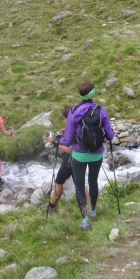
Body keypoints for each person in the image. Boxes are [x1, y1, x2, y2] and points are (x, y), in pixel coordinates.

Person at [59, 81, 115, 231]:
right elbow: (110, 136)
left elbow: (68, 139)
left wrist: (58, 141)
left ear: (80, 95)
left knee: (79, 185)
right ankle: (93, 211)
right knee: (93, 181)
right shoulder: (101, 110)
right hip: (96, 154)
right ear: (93, 94)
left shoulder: (73, 112)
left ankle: (84, 220)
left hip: (79, 155)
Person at [42, 105, 90, 215]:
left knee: (59, 181)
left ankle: (52, 207)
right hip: (82, 158)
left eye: (64, 118)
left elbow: (68, 149)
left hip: (71, 161)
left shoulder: (72, 127)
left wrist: (54, 142)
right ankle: (89, 208)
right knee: (80, 183)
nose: (64, 120)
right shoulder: (81, 124)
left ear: (68, 117)